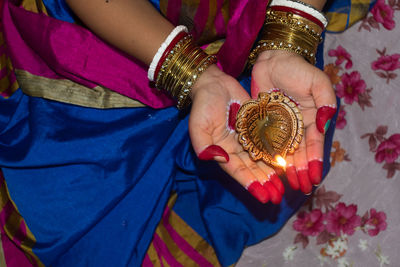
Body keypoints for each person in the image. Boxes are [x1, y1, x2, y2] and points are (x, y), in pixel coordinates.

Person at [0, 0, 375, 266]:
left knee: (288, 166)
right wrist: (191, 74)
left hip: (247, 27)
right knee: (63, 216)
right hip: (116, 34)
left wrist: (288, 39)